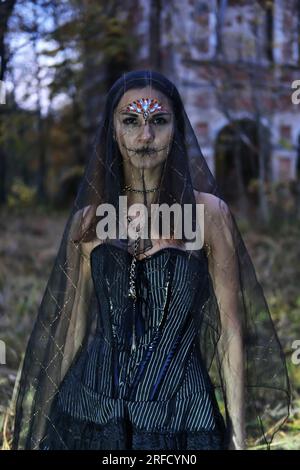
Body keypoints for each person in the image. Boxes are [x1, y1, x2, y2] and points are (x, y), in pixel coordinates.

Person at [11, 70, 290, 450]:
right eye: (131, 121)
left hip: (181, 416)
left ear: (176, 128)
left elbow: (230, 333)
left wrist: (238, 441)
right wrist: (42, 429)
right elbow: (71, 329)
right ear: (112, 129)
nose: (145, 137)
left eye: (159, 120)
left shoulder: (209, 216)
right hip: (90, 410)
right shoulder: (89, 222)